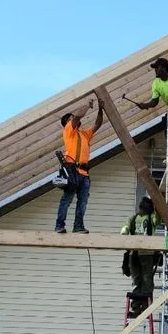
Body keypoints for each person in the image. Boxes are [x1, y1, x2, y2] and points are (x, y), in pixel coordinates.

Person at [56, 97, 104, 233]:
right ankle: (60, 225)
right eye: (70, 118)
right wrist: (87, 106)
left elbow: (98, 124)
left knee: (82, 202)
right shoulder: (68, 131)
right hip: (72, 170)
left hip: (84, 173)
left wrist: (100, 109)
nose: (74, 119)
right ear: (67, 122)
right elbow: (77, 116)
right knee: (67, 199)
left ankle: (78, 226)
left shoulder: (84, 134)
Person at [121, 196, 160, 316]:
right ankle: (138, 306)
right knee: (140, 279)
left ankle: (143, 306)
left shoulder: (150, 217)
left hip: (145, 253)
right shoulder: (134, 218)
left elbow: (157, 218)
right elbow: (124, 230)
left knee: (144, 279)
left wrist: (159, 205)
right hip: (136, 253)